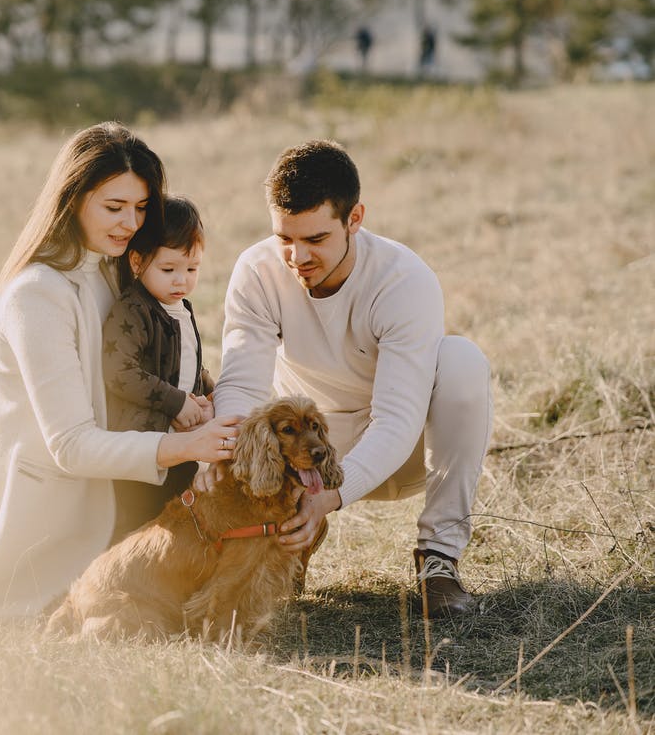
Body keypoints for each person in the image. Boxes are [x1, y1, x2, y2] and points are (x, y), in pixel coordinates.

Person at [0, 122, 241, 623]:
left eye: (141, 208)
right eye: (114, 207)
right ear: (73, 198)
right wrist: (187, 446)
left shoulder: (115, 268)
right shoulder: (36, 294)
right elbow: (70, 444)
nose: (130, 223)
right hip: (56, 504)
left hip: (124, 481)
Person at [211, 140, 492, 617]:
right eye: (285, 238)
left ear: (354, 219)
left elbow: (398, 418)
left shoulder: (403, 279)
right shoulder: (256, 271)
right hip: (303, 450)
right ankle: (284, 534)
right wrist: (232, 463)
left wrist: (332, 497)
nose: (297, 256)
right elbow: (241, 385)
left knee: (463, 360)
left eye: (315, 240)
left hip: (399, 451)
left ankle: (439, 560)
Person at [103, 195, 215, 543]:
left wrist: (209, 392)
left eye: (192, 269)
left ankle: (174, 579)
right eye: (169, 270)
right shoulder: (133, 311)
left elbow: (188, 361)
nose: (181, 280)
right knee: (138, 525)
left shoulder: (181, 306)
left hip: (181, 444)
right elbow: (120, 371)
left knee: (179, 517)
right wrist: (177, 402)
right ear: (137, 261)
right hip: (143, 447)